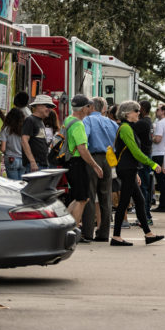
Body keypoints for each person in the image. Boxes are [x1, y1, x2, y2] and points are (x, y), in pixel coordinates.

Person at [109, 100, 165, 246]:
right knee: (124, 203)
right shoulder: (126, 128)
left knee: (138, 201)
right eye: (136, 110)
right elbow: (135, 151)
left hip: (129, 169)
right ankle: (116, 237)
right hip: (126, 169)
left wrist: (135, 172)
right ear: (128, 113)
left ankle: (148, 234)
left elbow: (131, 153)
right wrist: (152, 164)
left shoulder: (128, 127)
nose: (138, 113)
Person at [65, 95, 104, 240]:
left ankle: (65, 225)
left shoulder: (68, 120)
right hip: (77, 162)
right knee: (82, 198)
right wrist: (95, 165)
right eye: (89, 106)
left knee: (79, 197)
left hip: (69, 162)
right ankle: (72, 231)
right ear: (83, 108)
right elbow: (82, 148)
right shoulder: (78, 124)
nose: (91, 108)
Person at [83, 97, 118, 242]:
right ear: (104, 108)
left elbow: (84, 138)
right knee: (106, 196)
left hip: (93, 158)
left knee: (89, 196)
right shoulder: (111, 123)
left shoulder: (87, 121)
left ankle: (88, 232)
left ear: (91, 107)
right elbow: (117, 140)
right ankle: (104, 233)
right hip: (108, 159)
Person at [22, 95, 57, 172]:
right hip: (35, 166)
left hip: (41, 165)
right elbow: (24, 141)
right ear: (38, 105)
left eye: (51, 107)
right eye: (48, 106)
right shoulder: (30, 120)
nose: (50, 109)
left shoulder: (40, 121)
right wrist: (32, 162)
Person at [135, 100, 156, 222]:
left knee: (143, 187)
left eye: (138, 109)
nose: (137, 112)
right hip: (148, 156)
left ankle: (146, 216)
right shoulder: (149, 122)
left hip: (143, 158)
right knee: (146, 187)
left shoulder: (142, 123)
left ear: (142, 109)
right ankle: (146, 215)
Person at [151, 105, 165, 212]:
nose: (156, 111)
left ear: (163, 111)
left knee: (161, 181)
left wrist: (151, 137)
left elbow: (158, 139)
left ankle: (164, 205)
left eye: (158, 109)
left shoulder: (160, 123)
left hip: (158, 153)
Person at [0, 109, 26, 180]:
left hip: (11, 159)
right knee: (21, 184)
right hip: (23, 160)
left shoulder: (6, 130)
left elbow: (3, 149)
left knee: (13, 185)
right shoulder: (25, 130)